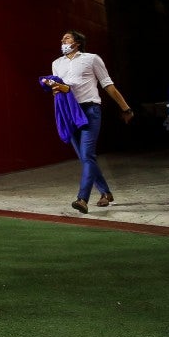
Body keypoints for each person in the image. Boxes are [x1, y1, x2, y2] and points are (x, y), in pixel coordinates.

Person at [48, 30, 134, 214]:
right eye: (62, 38)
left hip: (89, 110)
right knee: (85, 158)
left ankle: (82, 199)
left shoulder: (92, 59)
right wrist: (54, 88)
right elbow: (59, 89)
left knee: (87, 155)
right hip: (70, 112)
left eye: (67, 38)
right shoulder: (56, 64)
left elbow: (107, 84)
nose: (63, 41)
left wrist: (125, 108)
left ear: (77, 43)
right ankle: (106, 193)